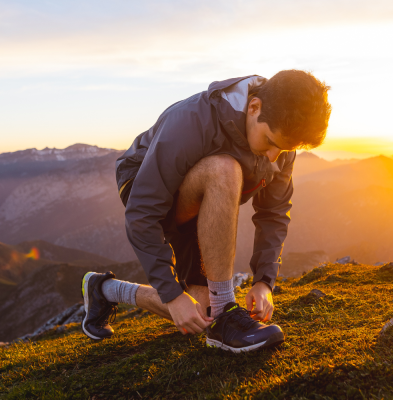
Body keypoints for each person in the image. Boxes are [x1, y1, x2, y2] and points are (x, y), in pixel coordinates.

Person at [81, 70, 331, 352]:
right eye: (271, 142)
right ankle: (226, 315)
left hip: (203, 201)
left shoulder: (281, 142)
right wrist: (172, 295)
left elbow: (273, 212)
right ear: (254, 107)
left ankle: (104, 290)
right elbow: (142, 212)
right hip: (145, 184)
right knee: (224, 169)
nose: (274, 157)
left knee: (202, 311)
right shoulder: (191, 121)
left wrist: (264, 282)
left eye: (285, 149)